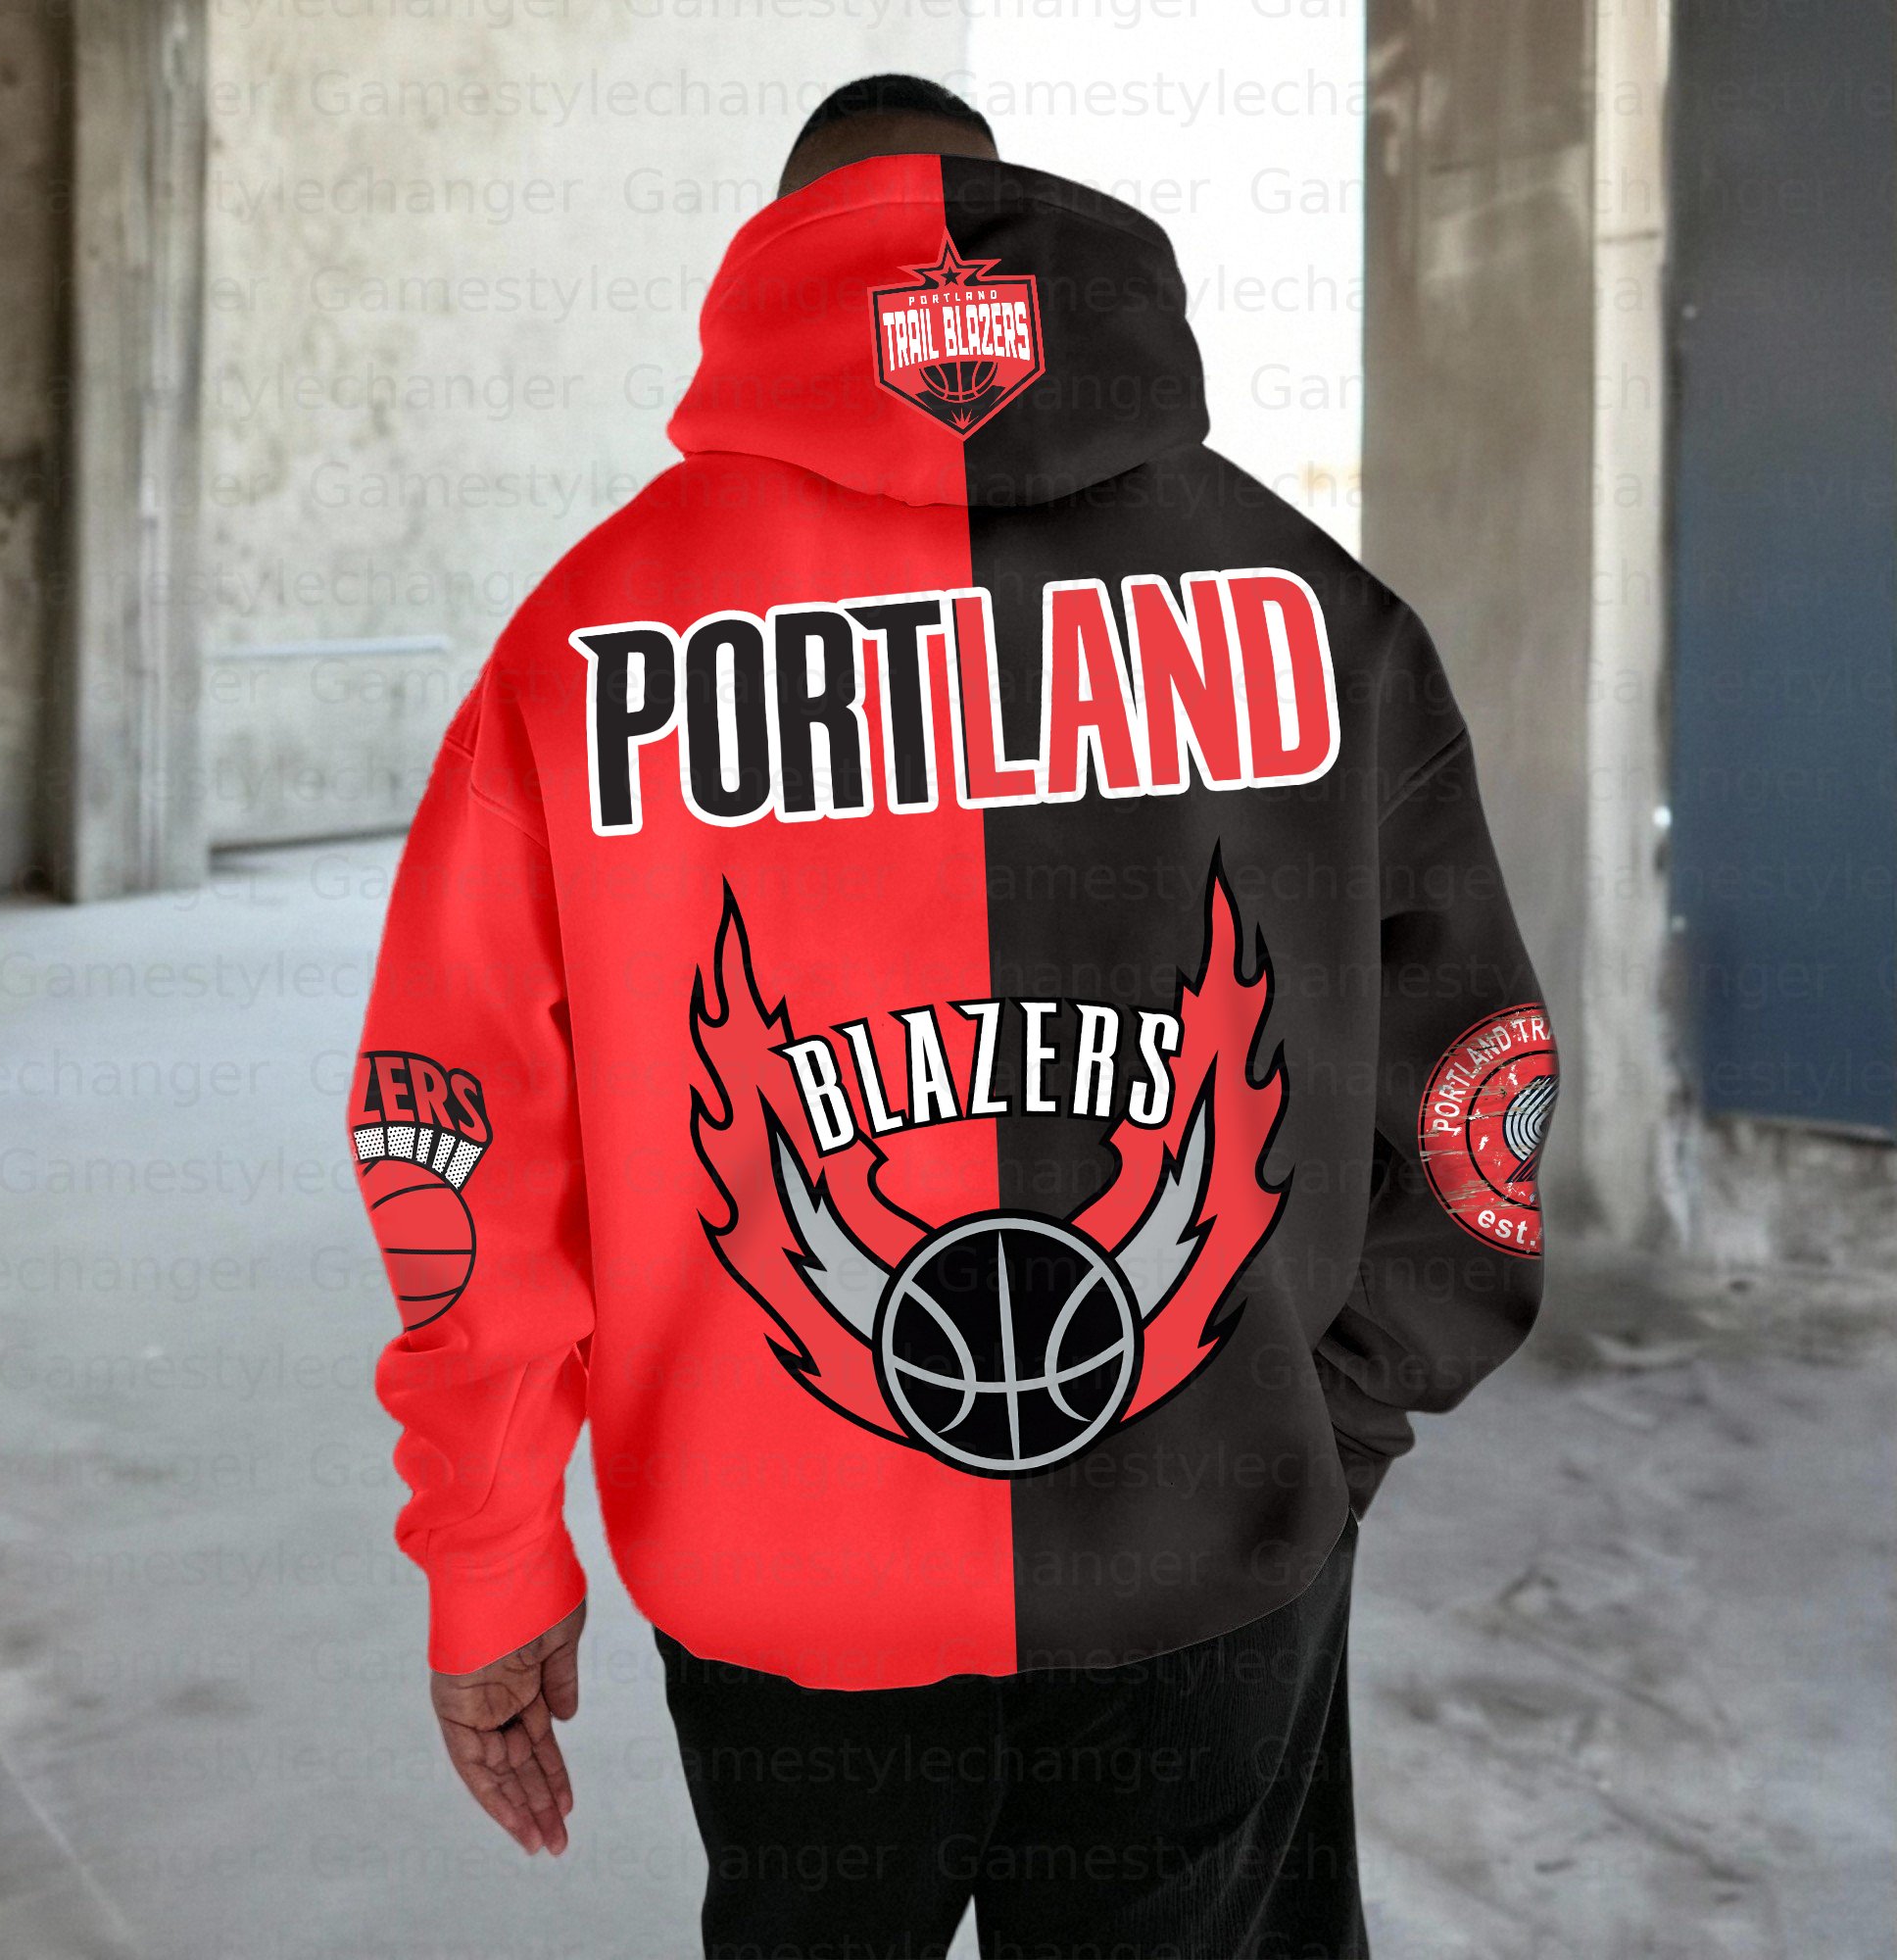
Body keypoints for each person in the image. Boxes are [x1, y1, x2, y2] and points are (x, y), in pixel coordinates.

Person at [351, 73, 1555, 1959]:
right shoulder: (1316, 614)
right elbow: (1483, 1083)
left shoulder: (587, 639)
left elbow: (456, 1125)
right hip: (1204, 1560)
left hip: (782, 1592)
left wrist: (491, 1554)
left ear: (782, 253)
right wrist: (1321, 1434)